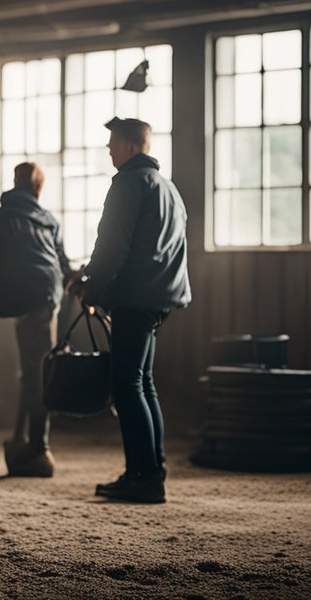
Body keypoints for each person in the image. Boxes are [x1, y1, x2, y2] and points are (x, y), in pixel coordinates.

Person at [68, 117, 191, 504]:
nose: (109, 150)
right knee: (143, 384)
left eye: (113, 144)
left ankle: (144, 478)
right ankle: (150, 470)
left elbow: (112, 244)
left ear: (131, 148)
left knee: (126, 386)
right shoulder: (168, 188)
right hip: (161, 296)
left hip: (135, 296)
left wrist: (92, 288)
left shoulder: (127, 183)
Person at [0, 162, 74, 478]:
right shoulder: (48, 219)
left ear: (14, 182)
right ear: (38, 189)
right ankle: (24, 440)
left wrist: (4, 296)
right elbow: (61, 263)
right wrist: (74, 280)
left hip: (25, 297)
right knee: (34, 370)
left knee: (36, 373)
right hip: (47, 295)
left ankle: (38, 450)